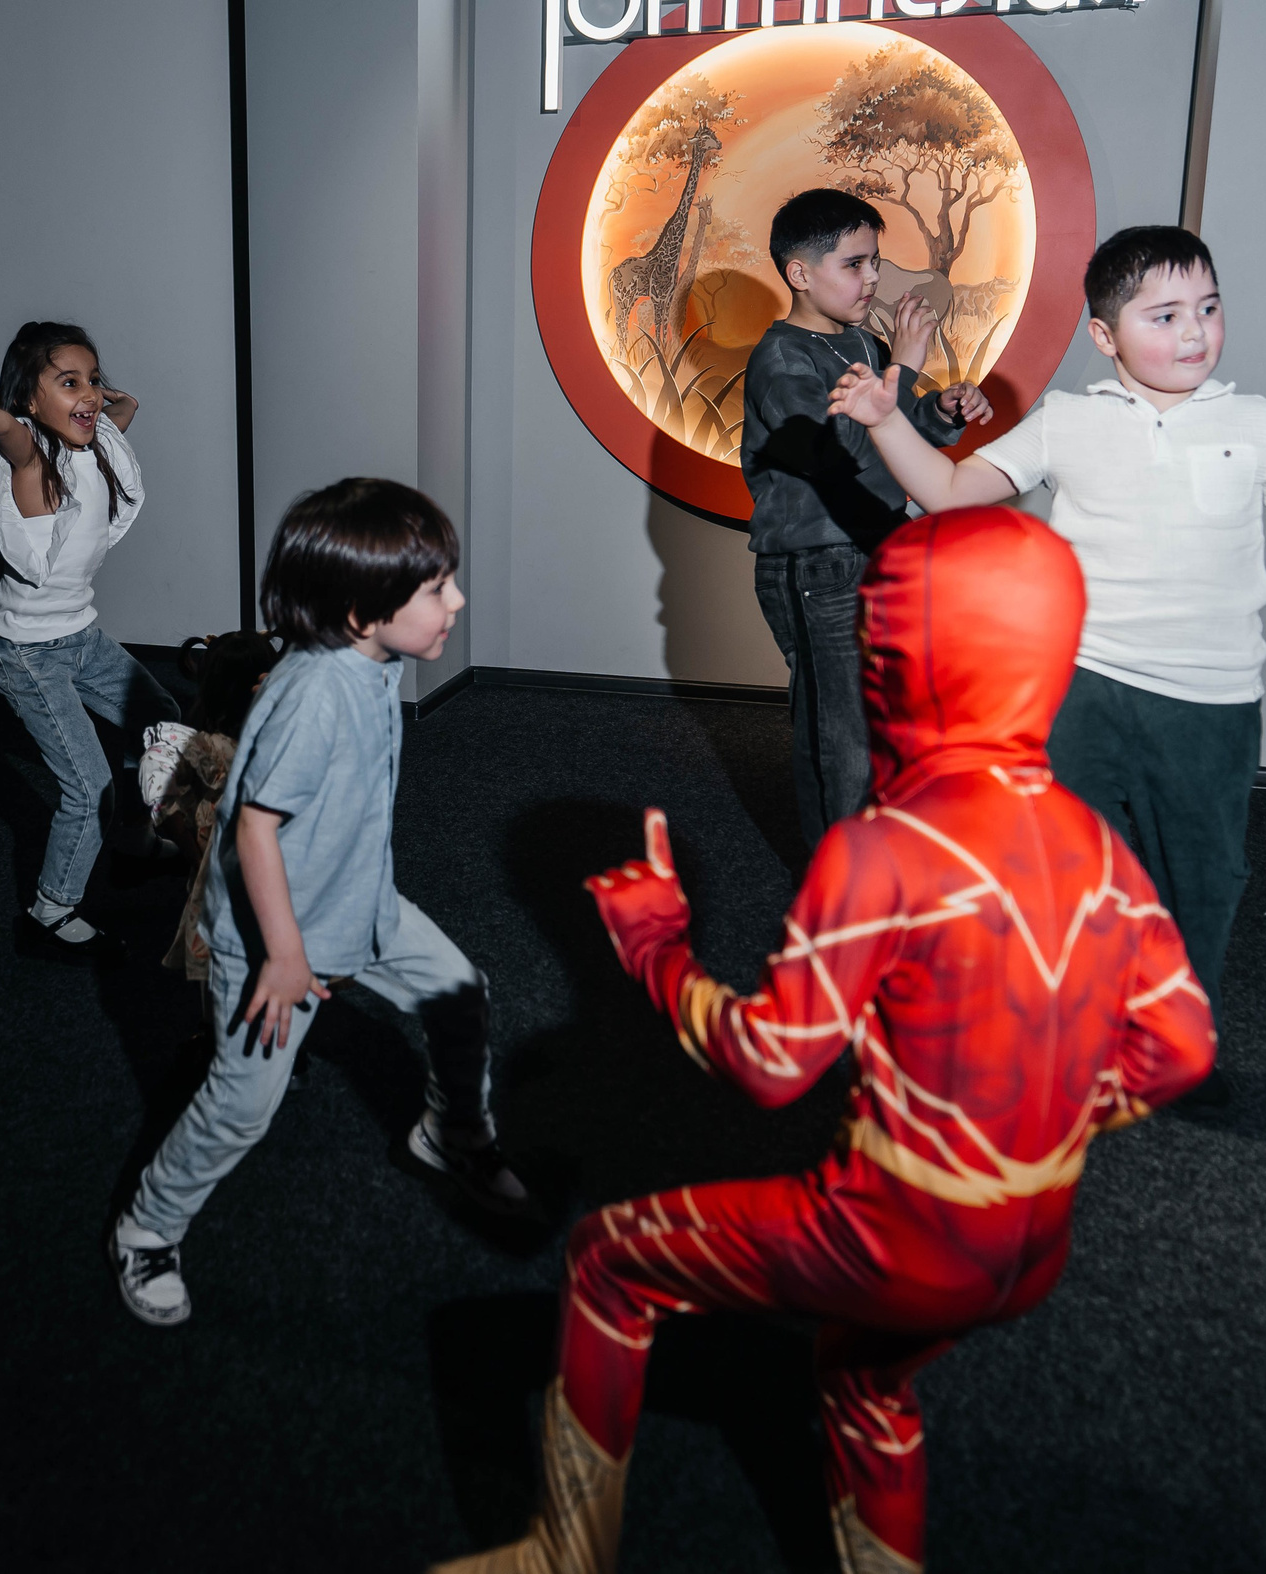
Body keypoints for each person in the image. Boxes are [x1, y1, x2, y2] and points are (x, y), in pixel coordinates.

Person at [432, 507, 1215, 1574]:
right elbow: (1180, 1046)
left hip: (893, 1234)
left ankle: (566, 1551)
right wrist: (1039, 1119)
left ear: (912, 659)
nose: (873, 671)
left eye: (883, 646)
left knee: (607, 1261)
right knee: (865, 1382)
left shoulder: (883, 849)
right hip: (1032, 1244)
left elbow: (768, 1064)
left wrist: (657, 946)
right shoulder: (1090, 838)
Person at [829, 225, 1266, 1105]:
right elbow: (945, 495)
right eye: (1165, 314)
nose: (1194, 333)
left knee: (1203, 876)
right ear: (1105, 335)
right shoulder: (1069, 420)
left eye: (1209, 309)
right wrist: (883, 426)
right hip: (1080, 688)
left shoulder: (1257, 424)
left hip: (1209, 704)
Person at [108, 480, 531, 1327]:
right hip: (272, 940)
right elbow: (256, 830)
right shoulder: (313, 695)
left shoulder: (377, 661)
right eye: (436, 588)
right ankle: (147, 1227)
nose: (457, 600)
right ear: (357, 611)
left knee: (460, 994)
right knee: (240, 1109)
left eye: (449, 579)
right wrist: (288, 956)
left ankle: (451, 1129)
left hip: (362, 904)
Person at [0, 324, 182, 965]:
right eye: (68, 382)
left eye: (93, 378)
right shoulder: (28, 453)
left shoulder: (95, 441)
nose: (89, 395)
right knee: (88, 784)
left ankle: (132, 836)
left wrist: (107, 398)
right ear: (29, 399)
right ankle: (50, 912)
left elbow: (121, 410)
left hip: (80, 634)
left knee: (159, 717)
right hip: (26, 653)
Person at [742, 188, 993, 851]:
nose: (874, 278)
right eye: (855, 264)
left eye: (874, 262)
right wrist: (905, 366)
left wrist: (944, 409)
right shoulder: (779, 359)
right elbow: (839, 452)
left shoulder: (860, 339)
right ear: (800, 273)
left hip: (877, 552)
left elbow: (898, 438)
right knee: (841, 738)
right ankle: (836, 897)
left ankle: (873, 876)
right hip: (818, 566)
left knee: (882, 724)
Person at [149, 629, 282, 984]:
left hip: (220, 862)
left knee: (220, 955)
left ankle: (215, 1027)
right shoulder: (287, 735)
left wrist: (195, 862)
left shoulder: (205, 748)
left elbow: (170, 809)